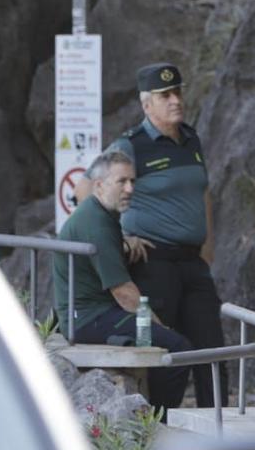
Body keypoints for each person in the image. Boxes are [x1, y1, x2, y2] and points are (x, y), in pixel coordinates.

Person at [115, 62, 224, 407]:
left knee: (212, 348)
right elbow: (90, 190)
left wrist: (208, 245)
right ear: (147, 105)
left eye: (178, 92)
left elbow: (202, 192)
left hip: (192, 262)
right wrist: (119, 238)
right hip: (153, 262)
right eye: (165, 95)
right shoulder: (132, 146)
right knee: (164, 349)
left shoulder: (191, 139)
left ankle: (216, 431)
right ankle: (159, 431)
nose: (175, 100)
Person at [53, 147, 193, 409]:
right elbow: (124, 294)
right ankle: (158, 425)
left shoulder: (100, 215)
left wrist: (127, 245)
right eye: (121, 182)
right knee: (177, 348)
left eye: (132, 181)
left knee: (163, 337)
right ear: (99, 185)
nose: (129, 188)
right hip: (88, 320)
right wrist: (160, 327)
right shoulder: (96, 224)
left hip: (90, 313)